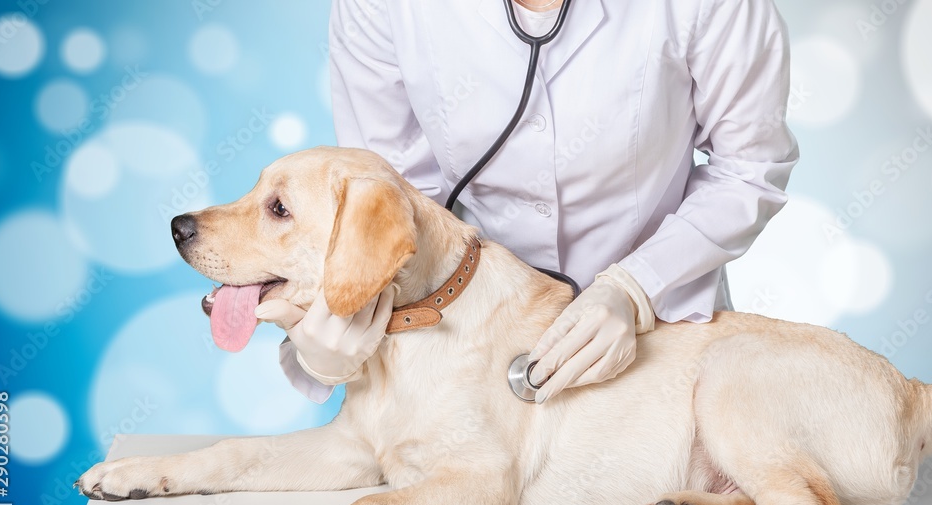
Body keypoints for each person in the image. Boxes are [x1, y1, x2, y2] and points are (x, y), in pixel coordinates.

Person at [258, 0, 799, 405]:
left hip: (661, 333)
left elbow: (749, 167)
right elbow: (389, 200)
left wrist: (637, 286)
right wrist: (332, 346)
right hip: (463, 338)